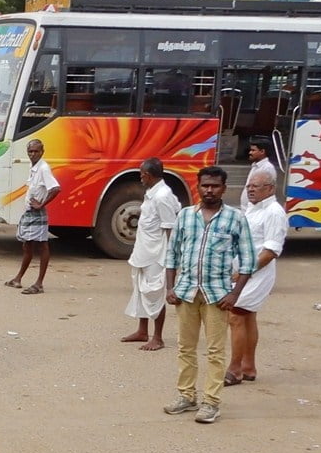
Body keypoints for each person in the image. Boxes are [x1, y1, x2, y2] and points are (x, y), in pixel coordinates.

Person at [163, 166, 256, 424]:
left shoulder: (235, 219)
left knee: (215, 351)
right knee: (186, 348)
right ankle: (186, 396)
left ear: (224, 188)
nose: (209, 190)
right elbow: (172, 254)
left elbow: (248, 261)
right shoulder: (184, 216)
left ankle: (211, 402)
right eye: (205, 185)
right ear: (198, 186)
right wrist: (170, 287)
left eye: (215, 186)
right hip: (186, 293)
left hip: (217, 296)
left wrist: (234, 294)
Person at [227, 169, 286, 385]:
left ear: (270, 189)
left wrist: (245, 272)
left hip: (256, 273)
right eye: (249, 186)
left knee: (235, 315)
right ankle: (248, 367)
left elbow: (270, 251)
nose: (250, 189)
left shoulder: (274, 212)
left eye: (256, 186)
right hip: (245, 271)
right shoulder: (253, 209)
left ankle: (235, 369)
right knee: (247, 316)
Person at [121, 158, 178, 350]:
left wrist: (171, 259)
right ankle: (142, 330)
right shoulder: (152, 193)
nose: (140, 177)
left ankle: (158, 337)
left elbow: (170, 228)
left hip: (157, 253)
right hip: (143, 250)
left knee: (154, 292)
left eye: (142, 174)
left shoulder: (163, 196)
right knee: (140, 289)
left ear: (149, 175)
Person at [5, 138, 60, 291]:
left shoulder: (43, 168)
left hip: (37, 213)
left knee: (42, 246)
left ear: (42, 152)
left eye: (36, 151)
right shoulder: (34, 166)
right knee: (27, 245)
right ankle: (18, 278)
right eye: (30, 151)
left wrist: (41, 204)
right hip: (30, 213)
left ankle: (39, 283)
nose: (33, 154)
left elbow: (55, 188)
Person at [240, 136, 277, 210]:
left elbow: (266, 191)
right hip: (248, 209)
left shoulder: (267, 168)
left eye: (253, 150)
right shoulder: (255, 166)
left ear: (262, 151)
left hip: (256, 209)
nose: (250, 153)